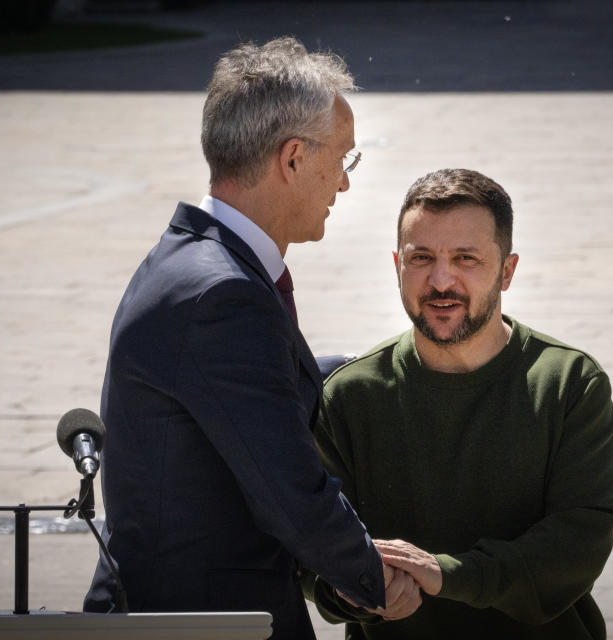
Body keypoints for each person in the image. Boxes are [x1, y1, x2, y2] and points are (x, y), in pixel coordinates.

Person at [83, 38, 410, 639]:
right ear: (291, 159)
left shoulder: (190, 258)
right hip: (208, 622)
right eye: (343, 160)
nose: (343, 184)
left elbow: (249, 391)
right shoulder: (222, 296)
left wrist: (381, 375)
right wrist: (373, 577)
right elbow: (287, 488)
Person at [303, 168, 613, 638]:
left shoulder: (568, 384)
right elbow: (313, 547)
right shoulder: (351, 395)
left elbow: (577, 544)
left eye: (466, 258)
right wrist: (358, 588)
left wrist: (446, 575)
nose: (440, 280)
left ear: (507, 271)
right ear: (397, 265)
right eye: (421, 258)